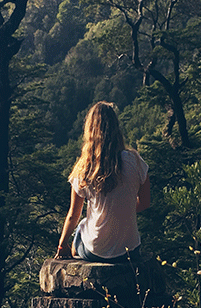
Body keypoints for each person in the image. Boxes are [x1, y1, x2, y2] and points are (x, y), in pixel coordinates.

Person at [55, 101, 150, 262]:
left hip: (95, 250)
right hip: (130, 250)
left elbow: (73, 214)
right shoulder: (135, 160)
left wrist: (61, 245)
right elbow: (145, 202)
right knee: (84, 225)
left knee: (81, 228)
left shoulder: (85, 167)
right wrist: (121, 209)